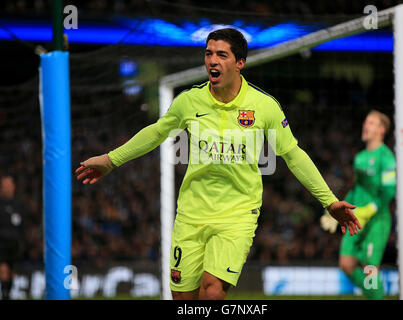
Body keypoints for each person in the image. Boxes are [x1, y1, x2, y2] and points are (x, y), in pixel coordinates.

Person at [76, 28, 361, 300]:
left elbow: (293, 154)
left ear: (240, 63)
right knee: (183, 298)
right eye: (208, 53)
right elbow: (156, 132)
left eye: (221, 55)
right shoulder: (189, 101)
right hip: (191, 214)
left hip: (237, 215)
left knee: (212, 291)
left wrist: (329, 201)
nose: (212, 60)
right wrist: (110, 160)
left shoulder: (264, 106)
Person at [321, 110, 396, 300]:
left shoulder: (387, 158)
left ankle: (374, 296)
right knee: (346, 264)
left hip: (376, 220)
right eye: (365, 122)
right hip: (355, 217)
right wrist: (336, 209)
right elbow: (355, 188)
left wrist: (370, 209)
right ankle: (373, 295)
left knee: (369, 268)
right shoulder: (360, 157)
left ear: (381, 129)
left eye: (370, 122)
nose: (365, 125)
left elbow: (389, 191)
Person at [0, 175, 27, 300]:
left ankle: (7, 294)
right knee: (3, 269)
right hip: (2, 243)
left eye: (9, 185)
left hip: (15, 244)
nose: (7, 188)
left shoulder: (19, 205)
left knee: (12, 272)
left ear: (13, 187)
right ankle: (5, 295)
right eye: (4, 185)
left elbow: (23, 226)